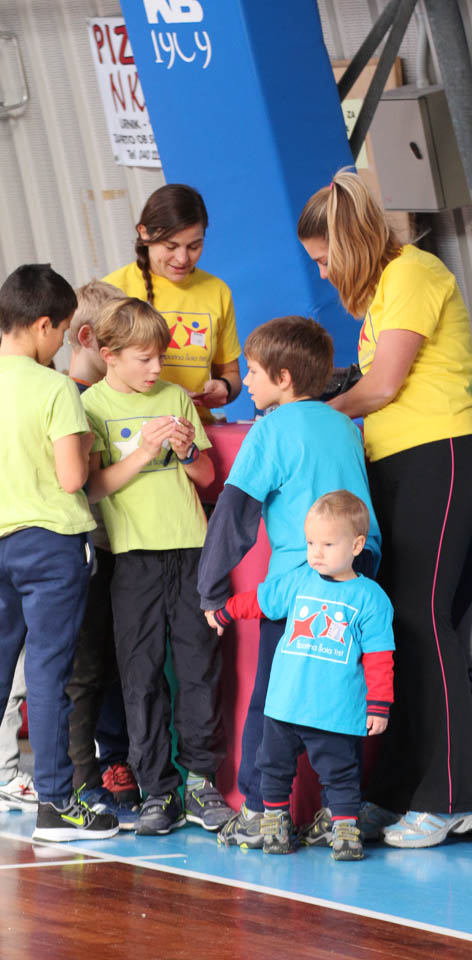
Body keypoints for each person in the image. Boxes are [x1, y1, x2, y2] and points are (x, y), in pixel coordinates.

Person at [298, 169, 472, 848]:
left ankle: (449, 797)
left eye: (324, 258)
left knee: (426, 619)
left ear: (348, 243)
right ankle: (398, 789)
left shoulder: (415, 273)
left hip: (440, 453)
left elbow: (385, 385)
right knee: (400, 625)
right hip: (397, 461)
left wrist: (312, 416)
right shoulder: (384, 295)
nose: (322, 272)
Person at [0, 263, 118, 843]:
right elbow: (73, 479)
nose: (62, 344)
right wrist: (88, 443)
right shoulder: (55, 389)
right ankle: (57, 805)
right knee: (48, 674)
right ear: (44, 324)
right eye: (62, 332)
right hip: (51, 547)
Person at [198, 315, 382, 848]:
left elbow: (234, 514)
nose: (246, 383)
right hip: (354, 586)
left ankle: (261, 809)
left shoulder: (270, 430)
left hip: (297, 591)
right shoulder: (344, 426)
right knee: (340, 698)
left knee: (274, 700)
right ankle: (339, 812)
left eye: (253, 373)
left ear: (282, 377)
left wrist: (211, 589)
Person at [82, 296, 233, 835]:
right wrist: (144, 452)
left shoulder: (173, 397)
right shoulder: (91, 406)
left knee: (199, 667)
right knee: (141, 673)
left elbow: (207, 476)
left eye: (159, 357)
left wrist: (188, 453)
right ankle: (158, 790)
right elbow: (93, 486)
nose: (155, 368)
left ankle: (200, 782)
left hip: (191, 547)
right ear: (108, 355)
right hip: (132, 557)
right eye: (143, 358)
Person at [209, 491, 394, 860]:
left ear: (357, 545)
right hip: (285, 706)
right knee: (272, 767)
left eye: (328, 544)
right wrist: (226, 610)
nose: (316, 553)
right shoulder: (299, 581)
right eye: (311, 543)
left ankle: (345, 832)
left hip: (335, 712)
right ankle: (275, 825)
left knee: (341, 774)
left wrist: (379, 704)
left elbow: (380, 656)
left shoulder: (370, 598)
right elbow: (261, 600)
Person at [65, 280, 140, 824]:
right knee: (86, 670)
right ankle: (80, 777)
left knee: (117, 662)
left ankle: (117, 761)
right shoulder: (67, 398)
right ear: (91, 338)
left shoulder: (128, 398)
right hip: (81, 551)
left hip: (122, 549)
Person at [104, 183, 242, 420]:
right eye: (171, 246)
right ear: (144, 233)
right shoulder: (113, 289)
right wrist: (166, 397)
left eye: (194, 246)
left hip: (197, 431)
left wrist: (224, 387)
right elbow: (95, 379)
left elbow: (231, 374)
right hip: (131, 432)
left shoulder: (217, 291)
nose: (182, 258)